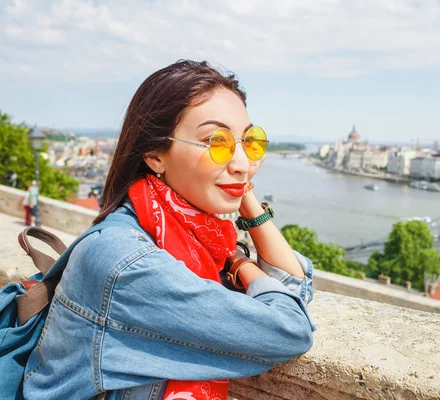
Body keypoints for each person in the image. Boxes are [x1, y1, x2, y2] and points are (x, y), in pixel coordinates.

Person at [23, 60, 315, 399]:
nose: (241, 162)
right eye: (216, 142)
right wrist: (242, 264)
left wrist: (243, 189)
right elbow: (290, 328)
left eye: (250, 142)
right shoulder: (128, 261)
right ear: (155, 154)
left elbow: (295, 284)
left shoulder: (196, 234)